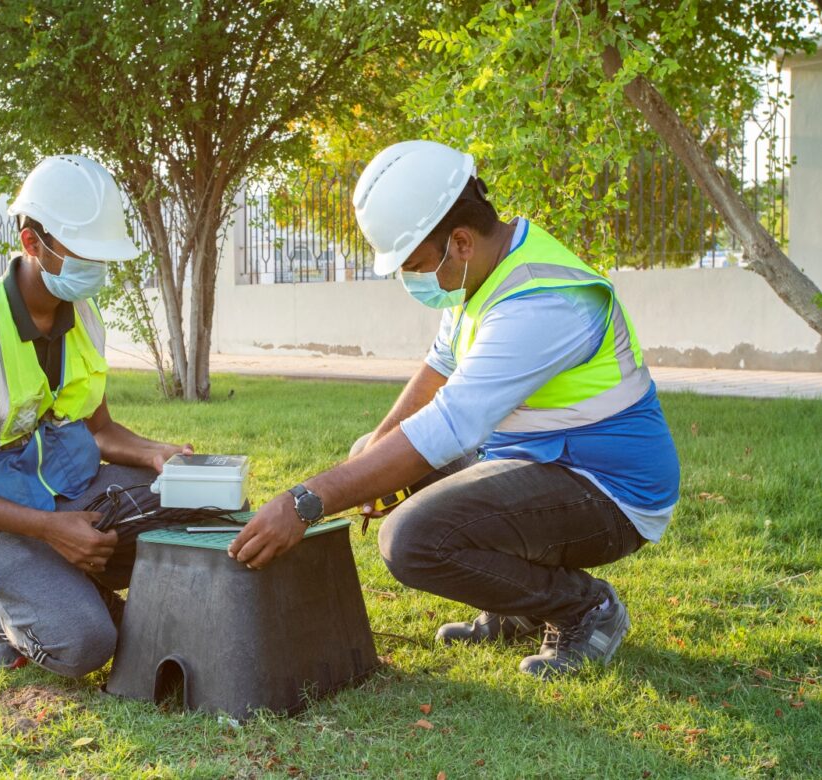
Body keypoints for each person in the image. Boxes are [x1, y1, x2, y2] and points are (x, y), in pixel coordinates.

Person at [229, 140, 680, 678]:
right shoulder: (483, 273)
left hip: (609, 492)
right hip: (542, 460)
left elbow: (447, 425)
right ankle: (519, 605)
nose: (413, 281)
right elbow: (436, 372)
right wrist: (369, 458)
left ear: (460, 242)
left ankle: (584, 608)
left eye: (417, 265)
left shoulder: (541, 301)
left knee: (412, 540)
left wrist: (307, 501)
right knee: (371, 458)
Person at [0, 155, 192, 676]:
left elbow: (99, 428)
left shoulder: (82, 313)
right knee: (83, 643)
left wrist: (156, 453)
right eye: (82, 253)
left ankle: (54, 577)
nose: (96, 267)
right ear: (31, 243)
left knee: (203, 506)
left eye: (102, 255)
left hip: (68, 495)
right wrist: (48, 529)